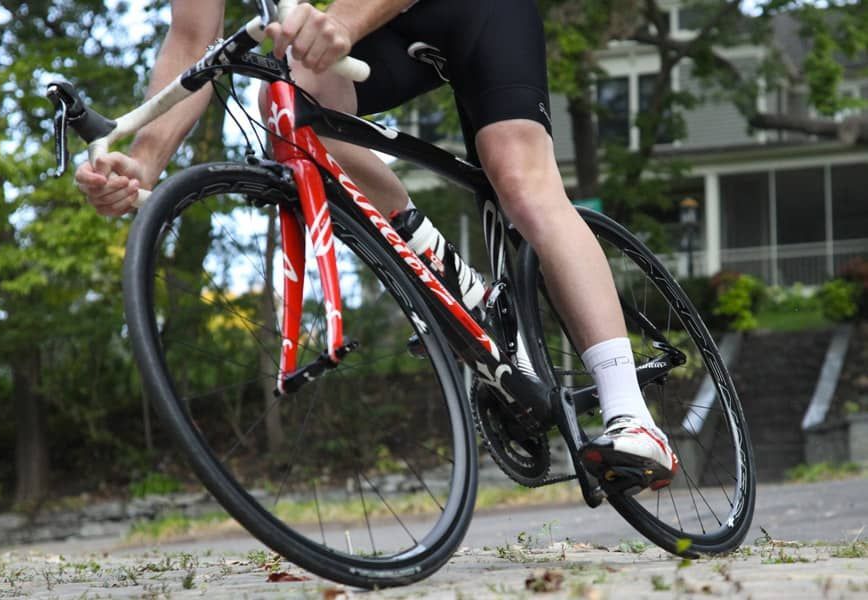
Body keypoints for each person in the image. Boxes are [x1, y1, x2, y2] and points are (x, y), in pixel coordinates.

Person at [74, 0, 678, 491]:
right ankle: (444, 267)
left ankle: (632, 415)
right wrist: (145, 161)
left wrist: (343, 21)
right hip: (362, 37)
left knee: (520, 181)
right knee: (287, 104)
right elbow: (190, 43)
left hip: (472, 11)